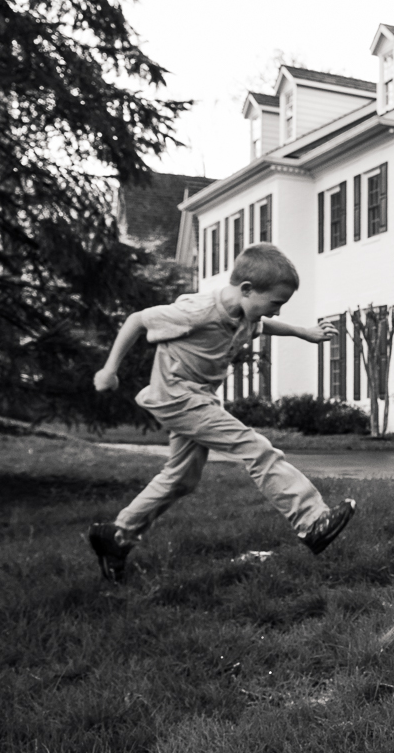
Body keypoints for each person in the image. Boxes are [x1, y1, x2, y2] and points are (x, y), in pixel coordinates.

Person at [87, 243, 356, 581]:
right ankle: (311, 519)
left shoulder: (244, 313)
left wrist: (304, 332)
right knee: (254, 447)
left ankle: (116, 536)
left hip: (198, 398)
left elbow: (265, 326)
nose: (275, 312)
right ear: (246, 289)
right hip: (176, 396)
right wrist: (109, 369)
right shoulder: (196, 311)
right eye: (275, 303)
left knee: (181, 478)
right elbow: (137, 320)